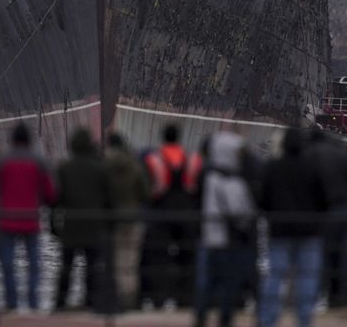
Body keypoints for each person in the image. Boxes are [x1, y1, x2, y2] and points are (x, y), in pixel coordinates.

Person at [258, 128, 328, 327]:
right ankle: (304, 319)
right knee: (306, 279)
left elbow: (263, 199)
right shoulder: (313, 168)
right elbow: (324, 200)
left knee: (274, 276)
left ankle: (267, 319)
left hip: (279, 231)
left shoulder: (272, 167)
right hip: (308, 232)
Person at [194, 131, 256, 327]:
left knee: (207, 283)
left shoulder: (208, 177)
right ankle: (225, 317)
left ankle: (201, 317)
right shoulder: (231, 181)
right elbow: (241, 212)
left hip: (209, 237)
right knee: (229, 282)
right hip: (230, 240)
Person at [0, 123, 56, 313]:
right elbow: (50, 193)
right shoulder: (38, 161)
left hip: (6, 220)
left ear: (12, 140)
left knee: (7, 264)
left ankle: (11, 303)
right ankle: (33, 303)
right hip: (31, 220)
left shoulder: (1, 161)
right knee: (34, 265)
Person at [54, 127, 113, 313]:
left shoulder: (64, 168)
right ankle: (92, 302)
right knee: (93, 267)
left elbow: (56, 200)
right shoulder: (100, 169)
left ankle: (60, 301)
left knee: (66, 268)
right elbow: (108, 199)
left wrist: (53, 226)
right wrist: (108, 224)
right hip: (94, 227)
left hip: (71, 227)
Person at [307, 128, 347, 307]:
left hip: (321, 214)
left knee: (323, 257)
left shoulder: (308, 156)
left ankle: (327, 296)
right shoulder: (344, 155)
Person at [143, 124, 199, 308]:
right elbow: (193, 187)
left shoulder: (154, 158)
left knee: (159, 256)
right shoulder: (191, 158)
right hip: (186, 213)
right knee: (187, 255)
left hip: (162, 213)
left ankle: (159, 298)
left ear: (163, 137)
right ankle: (185, 298)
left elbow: (152, 189)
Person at [104, 132, 149, 311]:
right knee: (131, 261)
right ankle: (130, 299)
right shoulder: (135, 165)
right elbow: (145, 192)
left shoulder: (104, 165)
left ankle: (113, 299)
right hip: (134, 218)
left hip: (113, 219)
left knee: (113, 260)